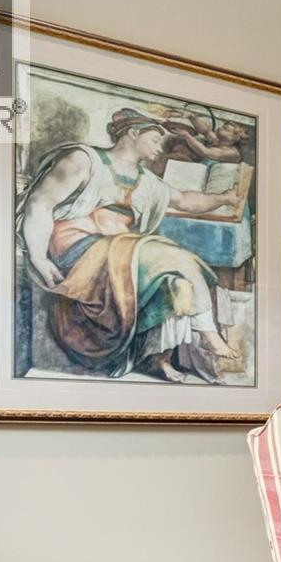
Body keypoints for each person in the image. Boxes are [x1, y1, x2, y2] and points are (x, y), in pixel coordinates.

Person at [16, 107, 243, 383]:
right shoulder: (83, 160)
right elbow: (39, 204)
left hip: (122, 251)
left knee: (174, 282)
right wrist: (39, 257)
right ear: (133, 132)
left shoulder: (146, 180)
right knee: (173, 256)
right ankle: (208, 334)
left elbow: (185, 200)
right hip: (78, 249)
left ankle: (156, 358)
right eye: (155, 139)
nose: (160, 147)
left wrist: (224, 198)